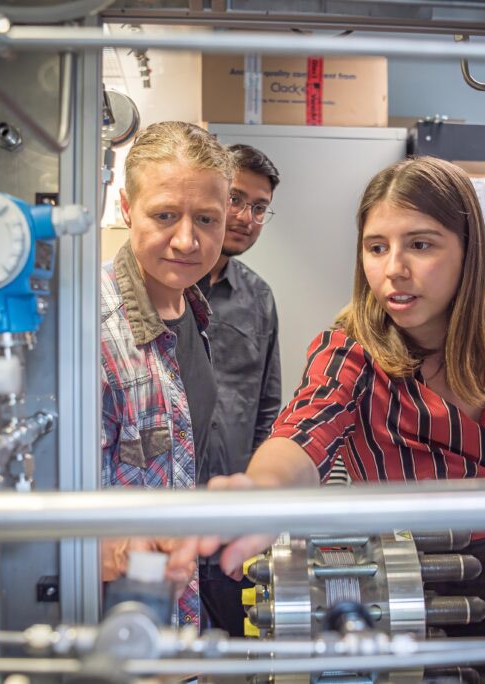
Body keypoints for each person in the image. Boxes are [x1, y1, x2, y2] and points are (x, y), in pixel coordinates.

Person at [169, 156, 485, 636]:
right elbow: (301, 431)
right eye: (377, 247)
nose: (394, 269)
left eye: (420, 245)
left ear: (469, 248)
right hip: (421, 602)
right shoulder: (351, 351)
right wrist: (262, 492)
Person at [100, 121, 235, 630]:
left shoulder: (194, 314)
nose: (187, 239)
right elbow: (33, 502)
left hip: (178, 615)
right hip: (113, 626)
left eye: (206, 218)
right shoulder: (91, 330)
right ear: (126, 207)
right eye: (164, 215)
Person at [194, 144, 282, 635]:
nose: (246, 217)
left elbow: (269, 406)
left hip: (232, 511)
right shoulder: (164, 288)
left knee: (230, 644)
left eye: (260, 207)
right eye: (236, 199)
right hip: (167, 510)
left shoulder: (258, 296)